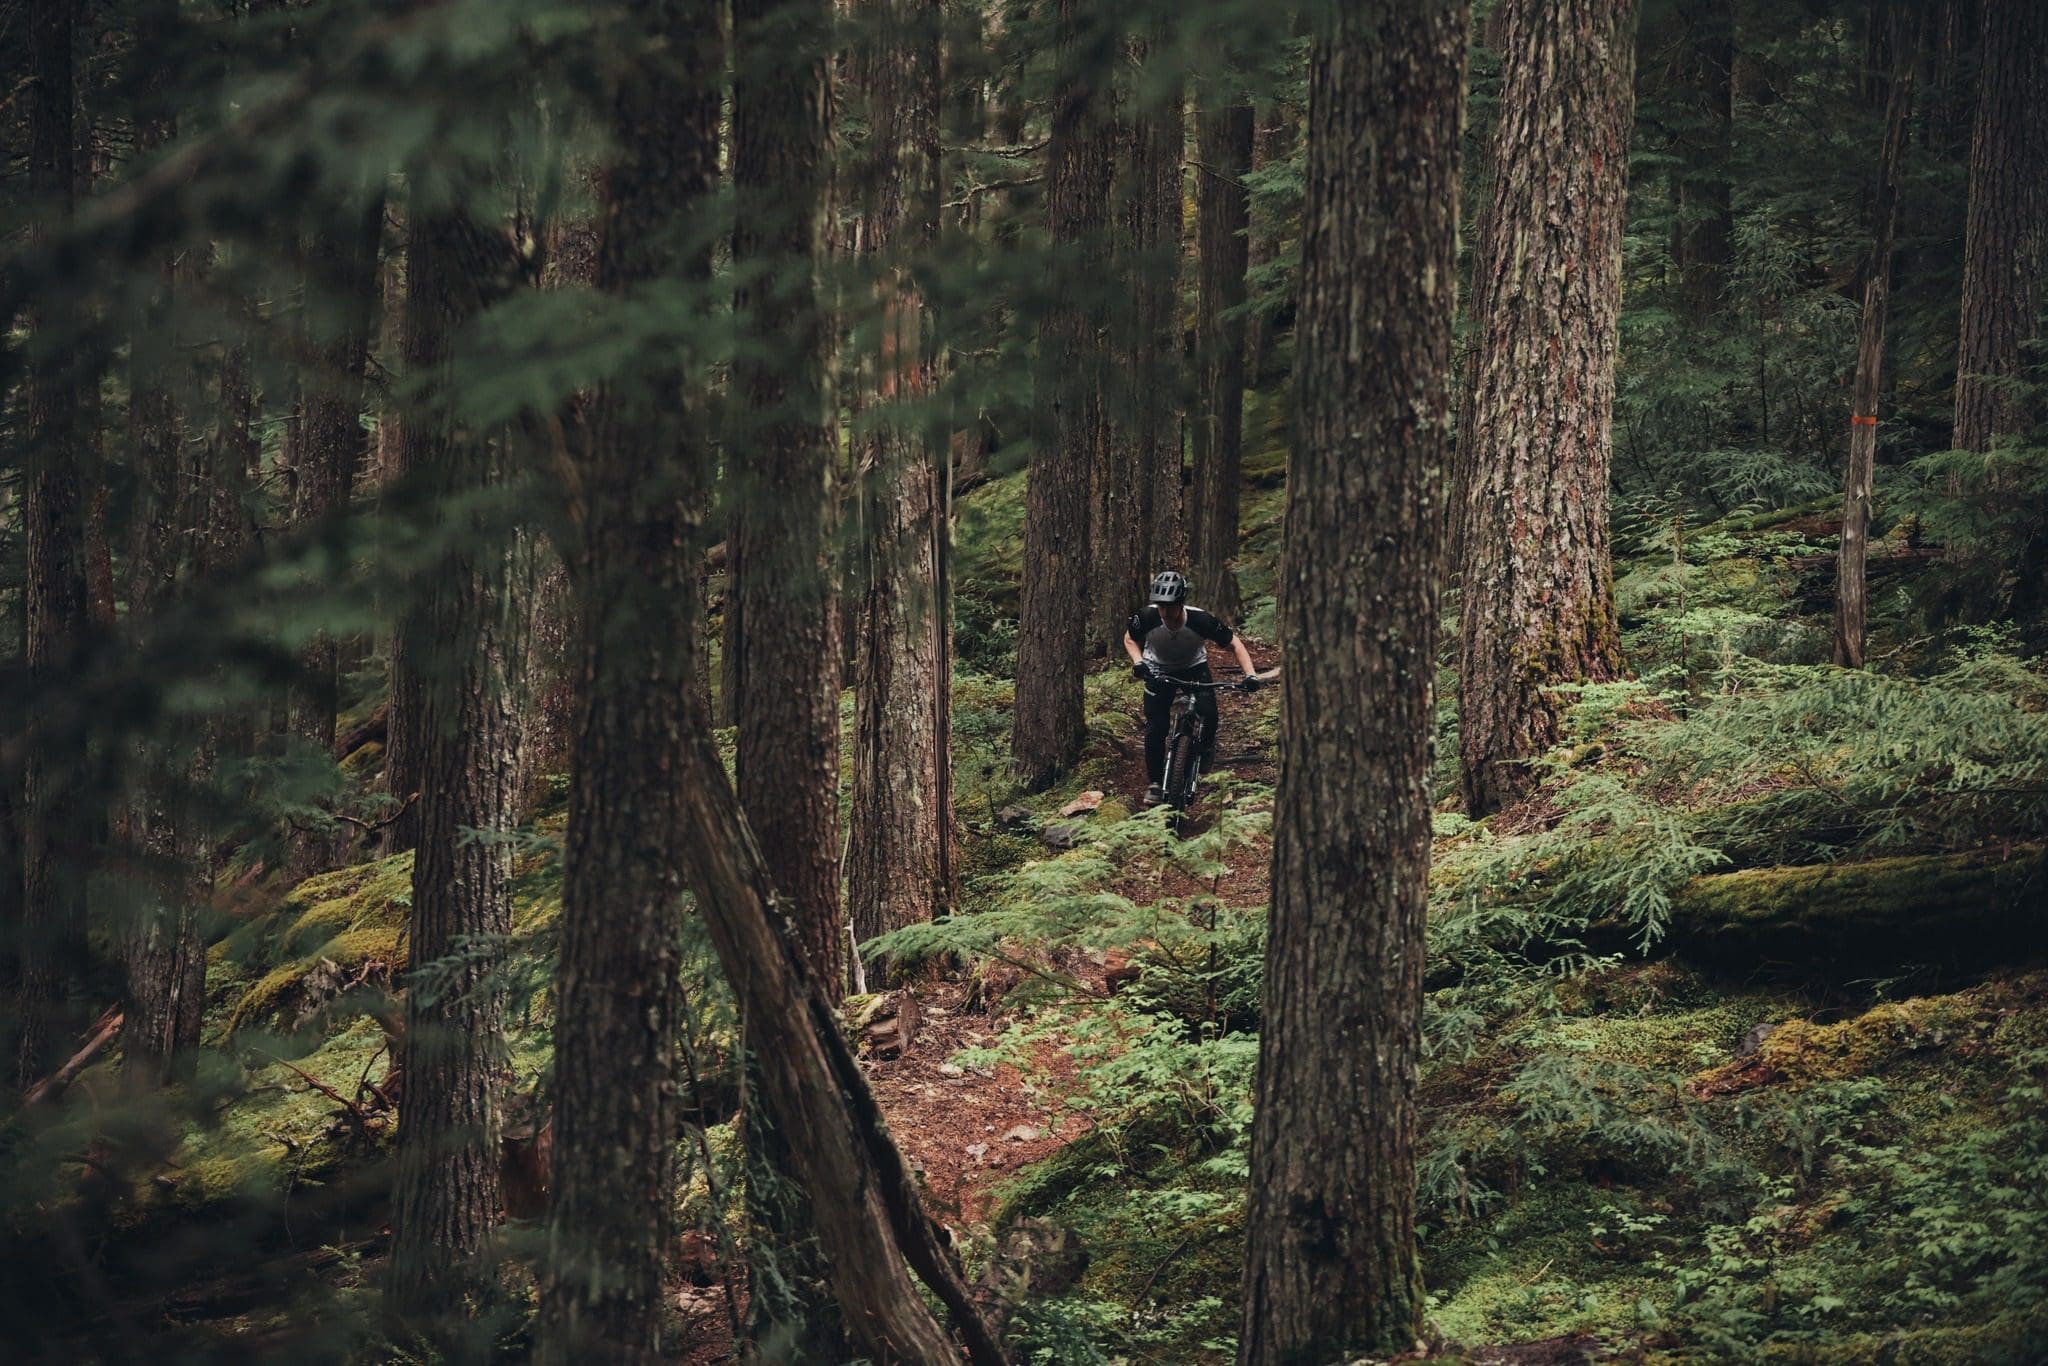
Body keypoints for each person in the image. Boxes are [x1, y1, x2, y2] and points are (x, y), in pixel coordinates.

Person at [1124, 569, 1260, 805]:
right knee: (1156, 728)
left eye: (1170, 606)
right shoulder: (1146, 617)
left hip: (1194, 668)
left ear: (1181, 603)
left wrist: (1250, 674)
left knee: (1210, 714)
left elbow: (1234, 644)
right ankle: (1155, 782)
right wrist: (1138, 662)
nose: (1164, 612)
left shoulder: (1201, 620)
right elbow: (1129, 638)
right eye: (1161, 606)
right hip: (1157, 669)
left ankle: (1205, 749)